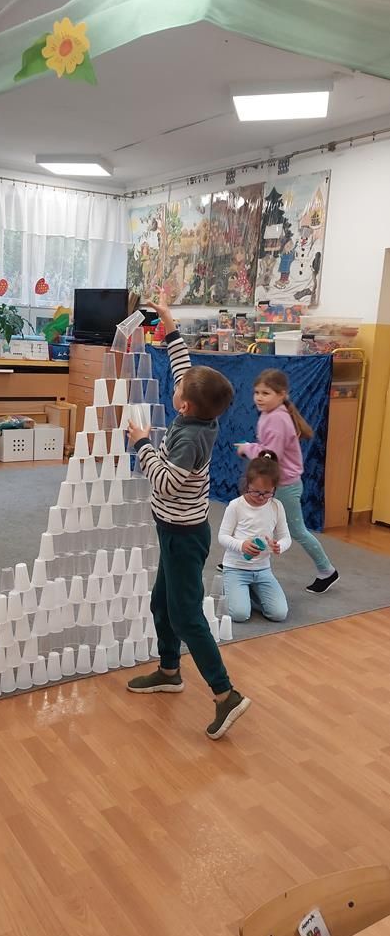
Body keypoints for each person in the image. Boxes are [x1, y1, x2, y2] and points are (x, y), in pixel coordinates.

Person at [126, 290, 251, 741]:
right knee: (162, 604)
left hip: (184, 534)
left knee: (186, 616)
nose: (175, 384)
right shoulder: (199, 413)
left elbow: (166, 482)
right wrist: (167, 321)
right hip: (174, 529)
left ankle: (225, 693)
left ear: (183, 406)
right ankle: (168, 670)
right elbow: (183, 368)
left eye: (178, 390)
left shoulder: (189, 441)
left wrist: (142, 443)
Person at [237, 368, 339, 593]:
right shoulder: (272, 415)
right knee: (255, 519)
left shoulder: (277, 419)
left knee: (297, 530)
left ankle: (327, 570)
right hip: (275, 482)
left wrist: (247, 449)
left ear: (282, 394)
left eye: (266, 393)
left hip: (284, 485)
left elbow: (271, 456)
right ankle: (241, 561)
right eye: (256, 392)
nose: (259, 398)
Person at [218, 451, 291, 623]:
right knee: (240, 615)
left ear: (274, 488)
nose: (261, 497)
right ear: (247, 484)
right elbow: (222, 536)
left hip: (262, 570)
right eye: (256, 492)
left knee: (279, 614)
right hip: (235, 568)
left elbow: (286, 537)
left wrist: (279, 546)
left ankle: (248, 591)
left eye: (267, 493)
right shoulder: (236, 506)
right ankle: (235, 589)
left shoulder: (276, 506)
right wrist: (241, 545)